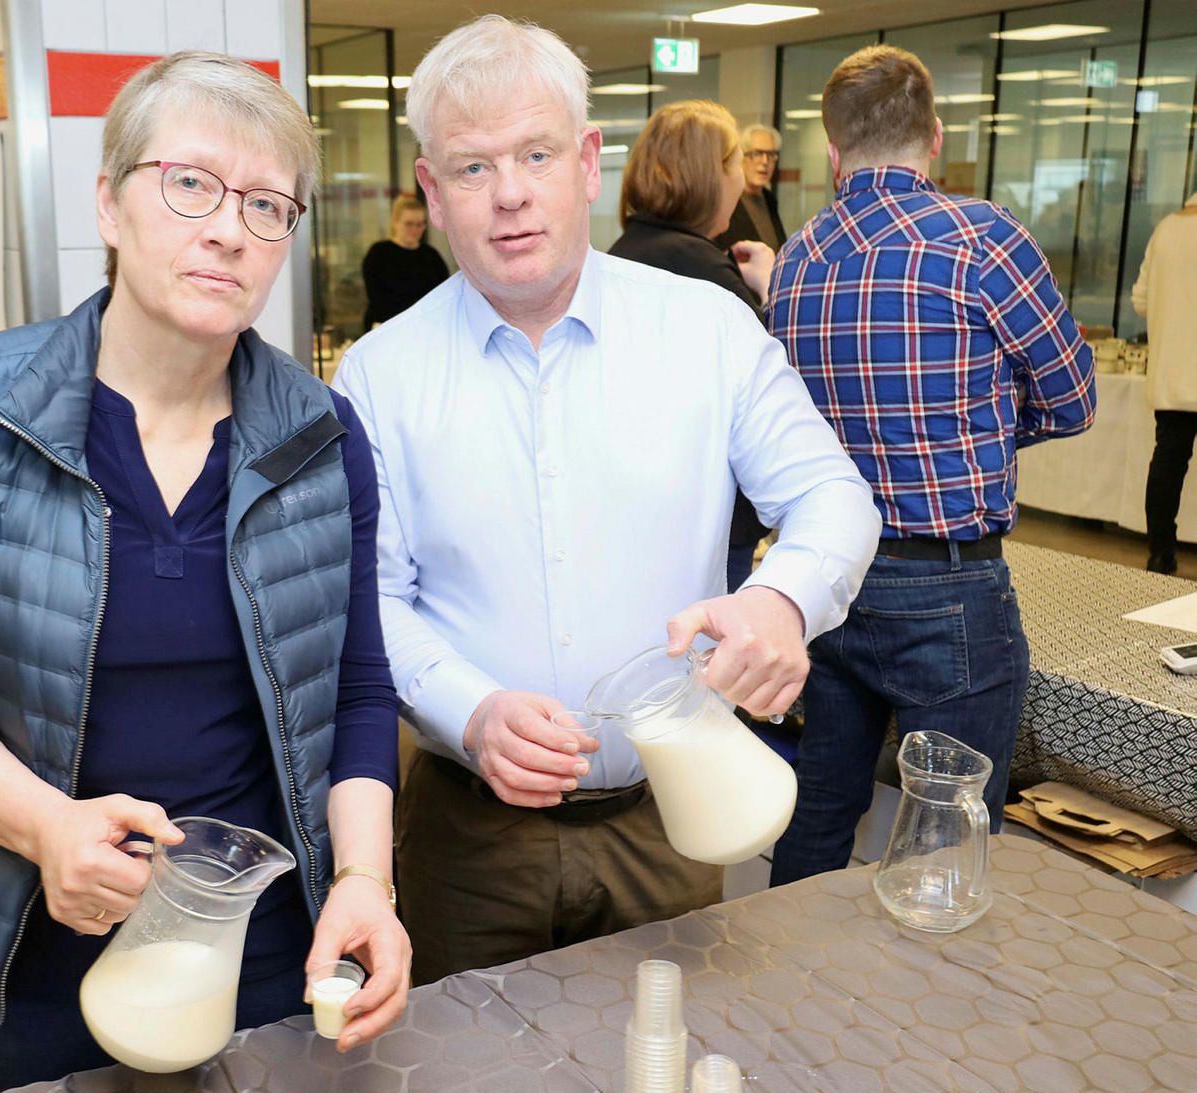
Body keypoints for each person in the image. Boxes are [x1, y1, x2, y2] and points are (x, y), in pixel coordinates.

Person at [0, 52, 410, 1091]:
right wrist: (44, 827)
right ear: (108, 205)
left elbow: (356, 686)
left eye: (265, 204)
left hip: (255, 929)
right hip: (38, 932)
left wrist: (366, 879)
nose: (227, 229)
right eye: (190, 183)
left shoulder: (322, 437)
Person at [332, 15, 880, 986]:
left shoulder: (705, 331)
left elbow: (832, 494)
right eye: (469, 167)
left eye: (534, 153)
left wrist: (777, 600)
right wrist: (467, 710)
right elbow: (366, 596)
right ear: (429, 190)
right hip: (466, 835)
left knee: (666, 1047)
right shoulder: (379, 374)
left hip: (668, 813)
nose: (507, 193)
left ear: (586, 161)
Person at [765, 46, 1095, 887]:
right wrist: (966, 434)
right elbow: (1073, 398)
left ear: (833, 152)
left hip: (829, 580)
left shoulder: (796, 260)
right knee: (944, 839)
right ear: (934, 137)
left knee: (819, 813)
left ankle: (779, 993)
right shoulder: (982, 239)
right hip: (949, 588)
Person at [608, 101, 774, 593]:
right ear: (709, 176)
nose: (742, 182)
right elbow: (765, 390)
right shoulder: (704, 273)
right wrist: (768, 293)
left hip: (647, 505)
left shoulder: (626, 253)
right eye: (736, 165)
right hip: (708, 519)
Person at [1133, 190, 1197, 574]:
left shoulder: (1166, 229)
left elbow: (1140, 300)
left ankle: (1161, 552)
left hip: (1173, 373)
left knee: (1167, 467)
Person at [361, 194, 449, 329]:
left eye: (419, 225)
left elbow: (443, 296)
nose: (415, 230)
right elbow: (377, 299)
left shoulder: (431, 256)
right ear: (395, 222)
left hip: (425, 328)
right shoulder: (378, 254)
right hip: (386, 328)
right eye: (409, 224)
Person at [714, 124, 787, 254]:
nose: (765, 161)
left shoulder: (769, 199)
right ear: (740, 157)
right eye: (757, 153)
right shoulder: (725, 200)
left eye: (771, 154)